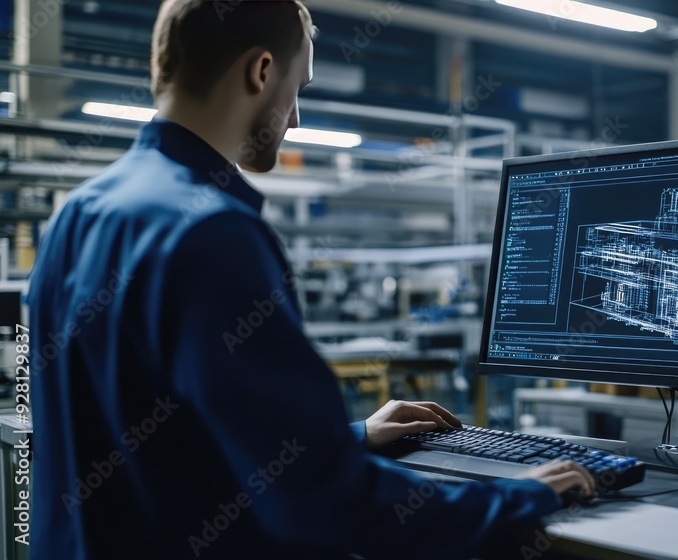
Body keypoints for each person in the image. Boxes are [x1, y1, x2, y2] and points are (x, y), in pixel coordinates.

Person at [26, 1, 594, 558]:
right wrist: (517, 497)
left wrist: (345, 439)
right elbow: (326, 505)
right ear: (262, 70)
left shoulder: (78, 214)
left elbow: (163, 443)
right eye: (299, 87)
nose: (294, 117)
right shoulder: (211, 232)